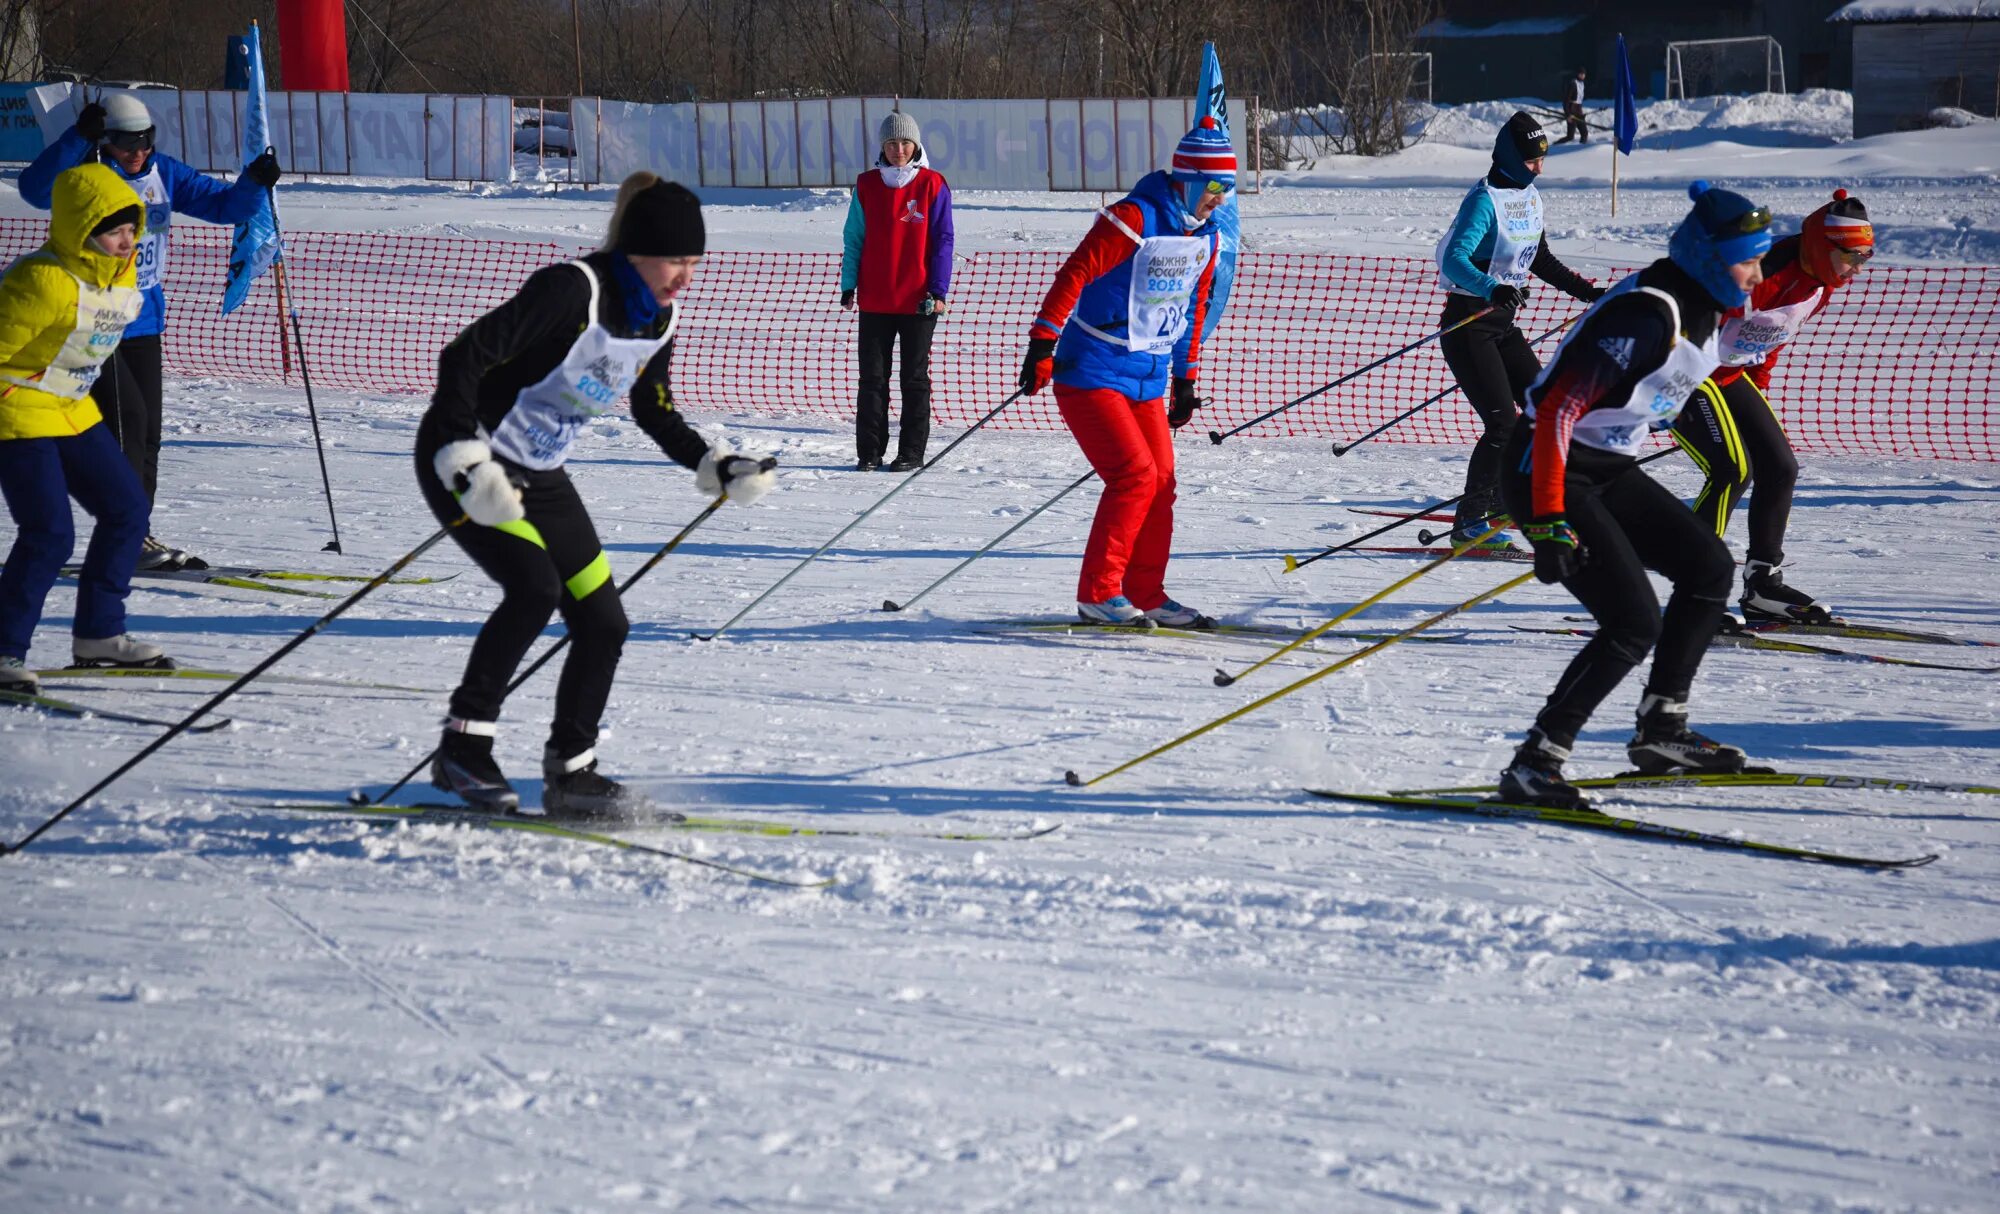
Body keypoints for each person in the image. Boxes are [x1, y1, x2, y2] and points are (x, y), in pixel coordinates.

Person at [416, 174, 778, 817]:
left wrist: (712, 464)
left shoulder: (658, 316)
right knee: (533, 590)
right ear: (636, 251)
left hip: (541, 476)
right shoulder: (571, 291)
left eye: (695, 262)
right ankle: (463, 748)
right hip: (469, 462)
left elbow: (654, 408)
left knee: (604, 622)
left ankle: (573, 772)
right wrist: (462, 455)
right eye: (676, 261)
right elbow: (463, 358)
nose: (685, 276)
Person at [1497, 181, 1775, 807]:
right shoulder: (1649, 314)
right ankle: (1535, 763)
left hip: (1605, 469)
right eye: (1748, 260)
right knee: (1632, 622)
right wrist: (1547, 522)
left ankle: (1662, 728)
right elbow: (1559, 412)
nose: (1757, 275)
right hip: (1549, 465)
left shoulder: (1703, 306)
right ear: (1708, 257)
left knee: (1708, 567)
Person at [21, 93, 281, 571]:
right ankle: (126, 531)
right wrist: (77, 138)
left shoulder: (164, 173)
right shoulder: (88, 178)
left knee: (149, 432)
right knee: (128, 422)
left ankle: (135, 530)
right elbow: (35, 190)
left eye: (143, 140)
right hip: (94, 316)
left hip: (144, 315)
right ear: (106, 139)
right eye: (123, 142)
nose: (135, 151)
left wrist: (253, 183)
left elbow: (222, 206)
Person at [1018, 116, 1227, 628]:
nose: (1219, 199)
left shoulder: (1206, 237)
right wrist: (1043, 342)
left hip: (1148, 376)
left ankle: (1146, 592)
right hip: (1091, 369)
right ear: (1191, 179)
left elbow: (1192, 307)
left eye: (1228, 189)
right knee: (1134, 476)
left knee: (1162, 483)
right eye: (1214, 187)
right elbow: (1076, 272)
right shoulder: (1133, 217)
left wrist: (1186, 378)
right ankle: (1099, 592)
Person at [0, 164, 166, 694]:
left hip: (71, 407)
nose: (125, 240)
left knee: (127, 510)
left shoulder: (120, 276)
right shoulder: (41, 280)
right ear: (82, 229)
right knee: (49, 534)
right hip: (17, 410)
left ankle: (99, 634)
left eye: (130, 228)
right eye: (113, 231)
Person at [1672, 189, 1874, 625]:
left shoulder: (1821, 284)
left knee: (1780, 467)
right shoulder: (1763, 274)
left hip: (1728, 375)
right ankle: (1692, 591)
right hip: (1681, 369)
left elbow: (1770, 338)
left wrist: (1757, 391)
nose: (1856, 268)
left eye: (1864, 258)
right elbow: (1690, 328)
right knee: (1730, 469)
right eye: (1851, 256)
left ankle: (1763, 584)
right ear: (1823, 245)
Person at [1434, 111, 1604, 550]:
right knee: (1502, 427)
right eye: (1531, 160)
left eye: (1542, 160)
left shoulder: (1529, 198)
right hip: (1468, 325)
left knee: (1542, 409)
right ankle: (1470, 525)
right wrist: (1493, 288)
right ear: (1511, 157)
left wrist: (1586, 292)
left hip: (1502, 325)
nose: (1539, 168)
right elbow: (1454, 259)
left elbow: (1539, 258)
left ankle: (1502, 501)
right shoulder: (1483, 201)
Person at [839, 110, 954, 472]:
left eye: (905, 143)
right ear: (882, 147)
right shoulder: (866, 185)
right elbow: (854, 237)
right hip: (876, 299)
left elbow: (942, 241)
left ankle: (911, 452)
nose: (898, 149)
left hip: (919, 301)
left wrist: (938, 291)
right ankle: (869, 452)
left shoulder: (933, 185)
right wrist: (848, 284)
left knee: (914, 379)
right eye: (891, 143)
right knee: (873, 379)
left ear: (916, 146)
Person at [1556, 68, 1589, 145]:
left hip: (1578, 109)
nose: (1582, 75)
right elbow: (1566, 100)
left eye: (1584, 74)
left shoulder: (1582, 84)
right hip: (1572, 110)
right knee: (1571, 136)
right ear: (1577, 74)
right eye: (1581, 74)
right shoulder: (1573, 84)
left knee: (1583, 134)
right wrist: (1568, 114)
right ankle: (1555, 146)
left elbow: (1579, 99)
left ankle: (1581, 150)